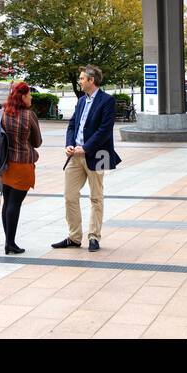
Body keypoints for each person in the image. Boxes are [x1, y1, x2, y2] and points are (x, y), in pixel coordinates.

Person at [52, 65, 121, 253]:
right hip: (75, 156)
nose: (80, 81)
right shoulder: (81, 100)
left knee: (96, 197)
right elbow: (72, 125)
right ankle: (74, 237)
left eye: (82, 78)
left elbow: (105, 130)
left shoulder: (107, 101)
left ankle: (94, 237)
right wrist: (69, 144)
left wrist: (86, 148)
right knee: (69, 196)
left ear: (92, 80)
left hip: (99, 154)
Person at [0, 81, 42, 254]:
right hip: (23, 164)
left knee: (8, 201)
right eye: (29, 95)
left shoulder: (2, 113)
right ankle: (10, 243)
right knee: (15, 204)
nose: (31, 97)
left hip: (5, 164)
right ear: (23, 97)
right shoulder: (29, 116)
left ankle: (8, 241)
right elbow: (37, 142)